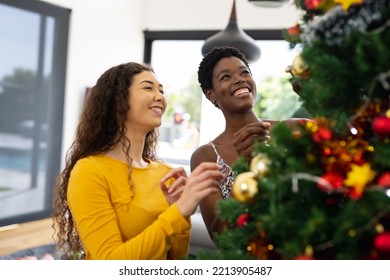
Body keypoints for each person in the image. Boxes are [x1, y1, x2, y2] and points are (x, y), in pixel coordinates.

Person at [52, 62, 223, 260]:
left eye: (161, 90)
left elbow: (176, 259)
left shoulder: (166, 173)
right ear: (118, 100)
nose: (160, 97)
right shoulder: (89, 171)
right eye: (148, 87)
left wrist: (181, 215)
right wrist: (178, 212)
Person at [190, 46, 310, 241]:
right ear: (211, 94)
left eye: (245, 72)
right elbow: (221, 238)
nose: (239, 79)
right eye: (226, 77)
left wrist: (312, 96)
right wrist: (251, 170)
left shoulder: (297, 129)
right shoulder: (205, 157)